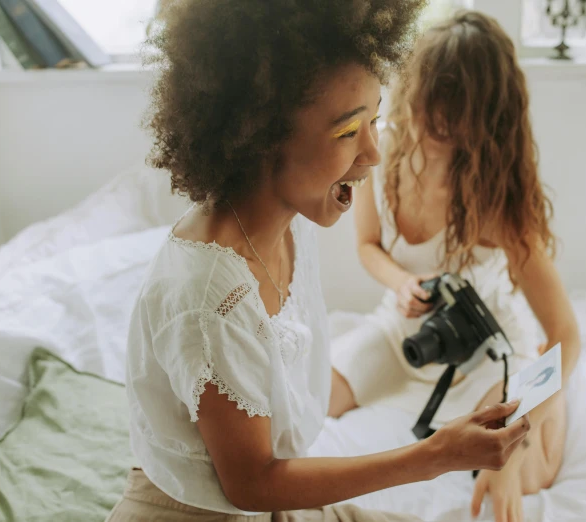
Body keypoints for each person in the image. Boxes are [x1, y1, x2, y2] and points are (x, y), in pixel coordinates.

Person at [107, 2, 532, 521]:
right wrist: (435, 456)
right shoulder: (209, 301)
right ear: (261, 136)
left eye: (375, 119)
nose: (374, 153)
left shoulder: (292, 223)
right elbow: (253, 485)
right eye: (349, 131)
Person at [329, 11, 581, 522]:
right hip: (403, 327)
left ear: (488, 116)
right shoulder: (382, 150)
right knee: (312, 399)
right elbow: (368, 246)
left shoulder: (498, 197)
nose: (439, 126)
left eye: (457, 115)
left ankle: (548, 407)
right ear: (414, 95)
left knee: (529, 473)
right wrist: (402, 284)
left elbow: (565, 334)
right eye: (431, 109)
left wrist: (526, 418)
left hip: (482, 350)